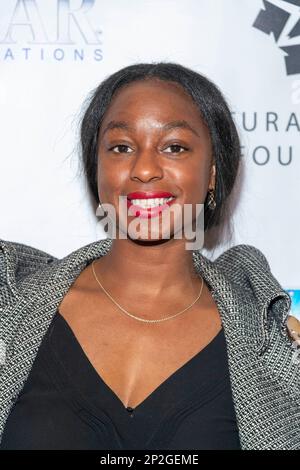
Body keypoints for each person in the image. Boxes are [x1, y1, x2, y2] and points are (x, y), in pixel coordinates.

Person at [0, 62, 299, 450]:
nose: (143, 169)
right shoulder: (13, 310)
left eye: (174, 147)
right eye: (121, 147)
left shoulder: (274, 344)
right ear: (98, 168)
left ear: (211, 172)